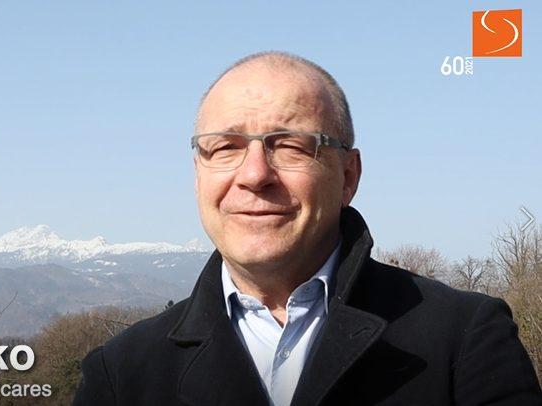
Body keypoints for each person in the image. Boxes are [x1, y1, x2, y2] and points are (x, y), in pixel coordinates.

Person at [72, 51, 542, 405]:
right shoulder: (121, 374)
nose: (254, 174)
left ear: (348, 177)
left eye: (291, 146)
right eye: (226, 147)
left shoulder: (464, 340)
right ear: (198, 175)